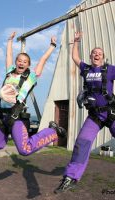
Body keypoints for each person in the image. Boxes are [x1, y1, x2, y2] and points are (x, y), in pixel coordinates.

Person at [54, 32, 115, 193]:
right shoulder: (86, 69)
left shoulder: (110, 70)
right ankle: (70, 178)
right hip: (94, 116)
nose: (97, 54)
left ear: (103, 57)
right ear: (90, 56)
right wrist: (76, 41)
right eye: (94, 53)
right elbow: (75, 58)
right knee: (81, 143)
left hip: (111, 113)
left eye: (100, 53)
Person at [0, 32, 66, 156]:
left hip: (16, 116)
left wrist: (52, 45)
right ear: (16, 62)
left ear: (28, 65)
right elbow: (8, 55)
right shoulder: (9, 72)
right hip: (1, 116)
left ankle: (52, 131)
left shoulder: (31, 77)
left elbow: (43, 60)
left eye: (25, 62)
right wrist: (9, 41)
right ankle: (9, 134)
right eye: (19, 61)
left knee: (25, 149)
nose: (21, 63)